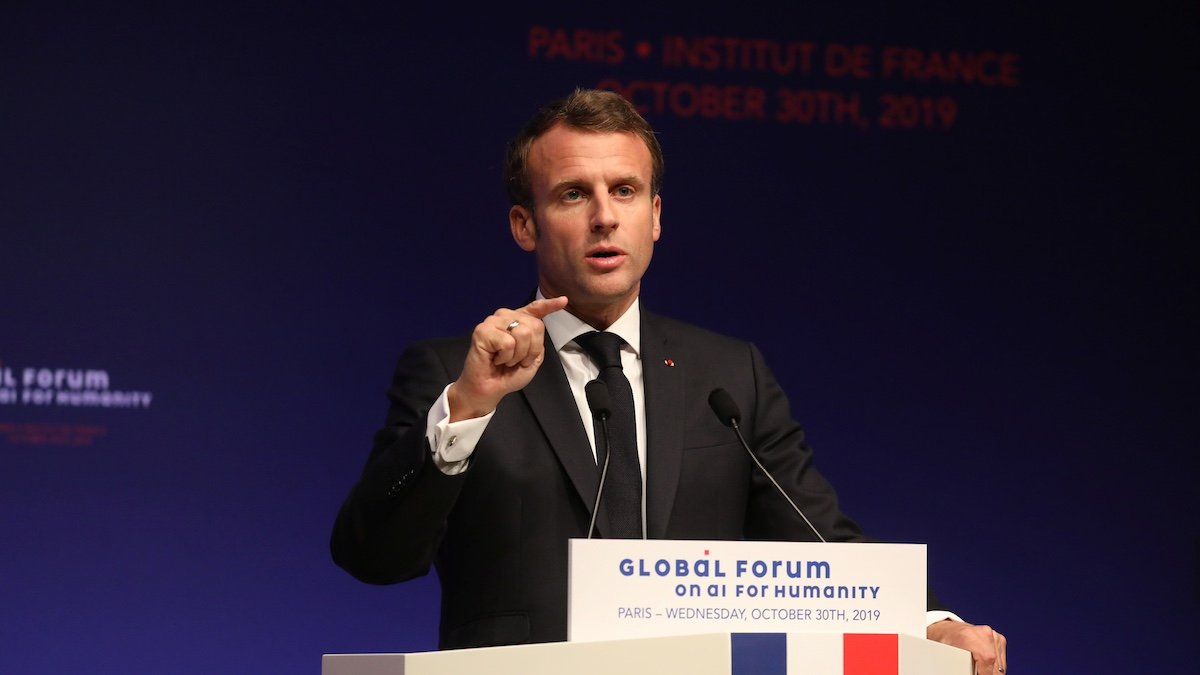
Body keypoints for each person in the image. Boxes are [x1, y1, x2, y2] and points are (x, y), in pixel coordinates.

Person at [331, 89, 1007, 673]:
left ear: (655, 216)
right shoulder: (457, 373)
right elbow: (375, 554)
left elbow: (820, 543)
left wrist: (932, 623)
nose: (604, 216)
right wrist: (472, 405)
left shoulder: (727, 375)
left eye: (624, 190)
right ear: (524, 226)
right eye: (574, 193)